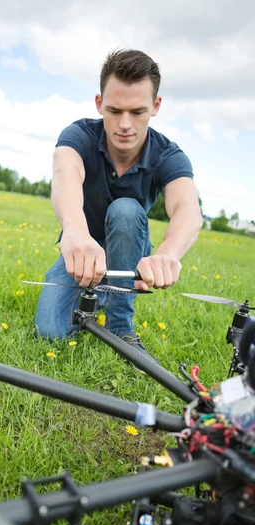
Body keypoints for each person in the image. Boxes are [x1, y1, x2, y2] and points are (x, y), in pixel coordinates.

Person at [35, 48, 203, 359]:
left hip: (128, 256)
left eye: (137, 112)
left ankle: (119, 324)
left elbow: (188, 211)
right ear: (99, 104)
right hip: (80, 248)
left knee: (125, 209)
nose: (125, 124)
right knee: (50, 333)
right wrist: (75, 231)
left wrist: (167, 255)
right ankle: (95, 290)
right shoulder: (79, 135)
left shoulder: (169, 155)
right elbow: (65, 173)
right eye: (114, 110)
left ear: (155, 106)